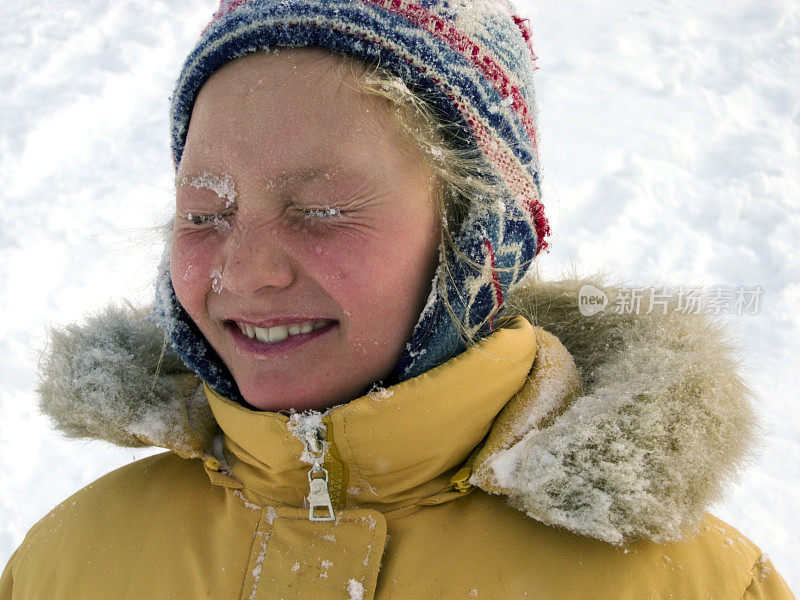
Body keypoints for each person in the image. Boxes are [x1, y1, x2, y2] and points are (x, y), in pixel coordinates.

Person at [1, 1, 794, 598]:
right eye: (206, 214)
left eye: (322, 211)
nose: (243, 273)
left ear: (476, 236)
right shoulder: (66, 566)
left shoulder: (686, 587)